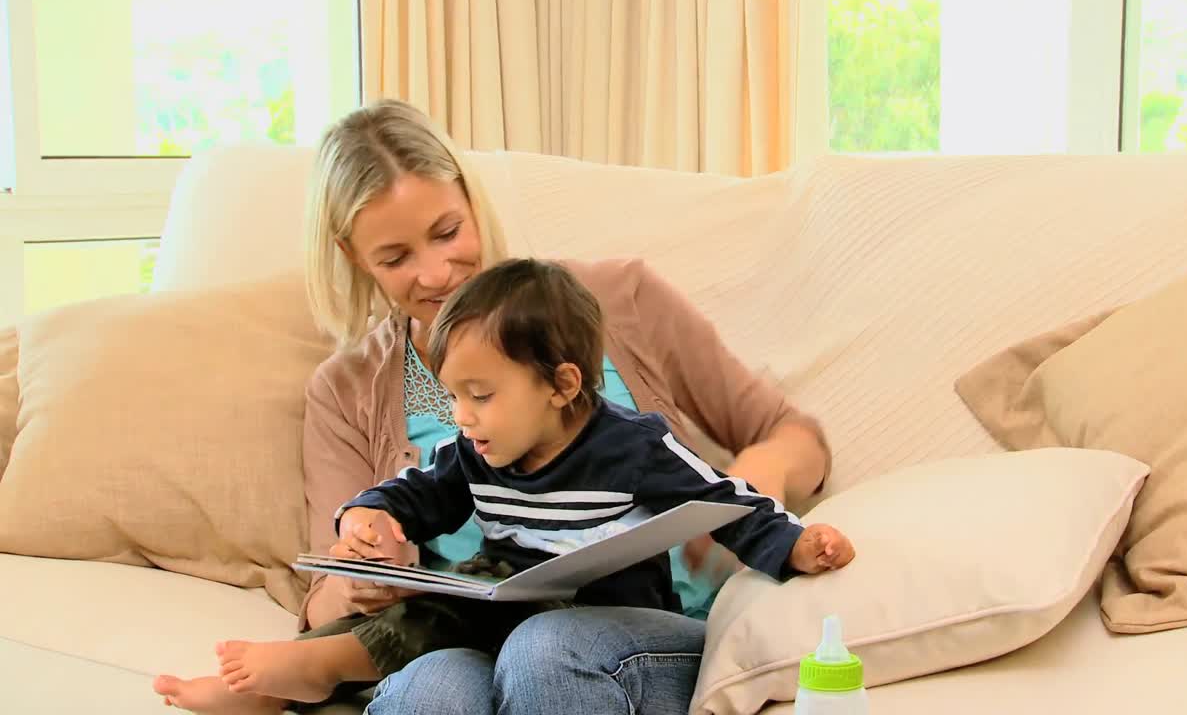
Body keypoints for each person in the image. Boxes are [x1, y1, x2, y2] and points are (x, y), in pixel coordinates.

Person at [153, 98, 833, 715]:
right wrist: (371, 570)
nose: (436, 274)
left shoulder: (618, 301)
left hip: (636, 622)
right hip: (463, 633)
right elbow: (333, 583)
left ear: (473, 202)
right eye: (395, 257)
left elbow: (791, 436)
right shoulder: (346, 389)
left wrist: (741, 495)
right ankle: (298, 682)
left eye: (448, 232)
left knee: (545, 648)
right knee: (430, 691)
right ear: (352, 257)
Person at [209, 258, 854, 706]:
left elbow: (725, 502)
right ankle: (309, 676)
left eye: (481, 396)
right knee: (447, 620)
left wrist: (795, 545)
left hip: (612, 627)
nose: (461, 417)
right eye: (453, 396)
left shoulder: (632, 445)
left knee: (517, 634)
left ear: (561, 386)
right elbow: (412, 494)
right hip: (509, 613)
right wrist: (368, 518)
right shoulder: (475, 452)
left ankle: (323, 672)